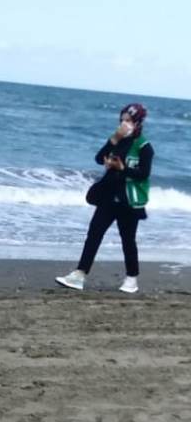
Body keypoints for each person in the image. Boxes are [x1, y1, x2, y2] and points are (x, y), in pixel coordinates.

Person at [56, 103, 153, 295]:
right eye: (122, 120)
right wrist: (114, 141)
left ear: (138, 122)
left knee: (128, 240)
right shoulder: (117, 140)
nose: (124, 124)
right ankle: (80, 274)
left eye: (128, 120)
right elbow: (99, 158)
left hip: (128, 201)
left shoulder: (144, 147)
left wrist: (123, 168)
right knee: (94, 234)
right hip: (108, 196)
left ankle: (131, 278)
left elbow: (143, 173)